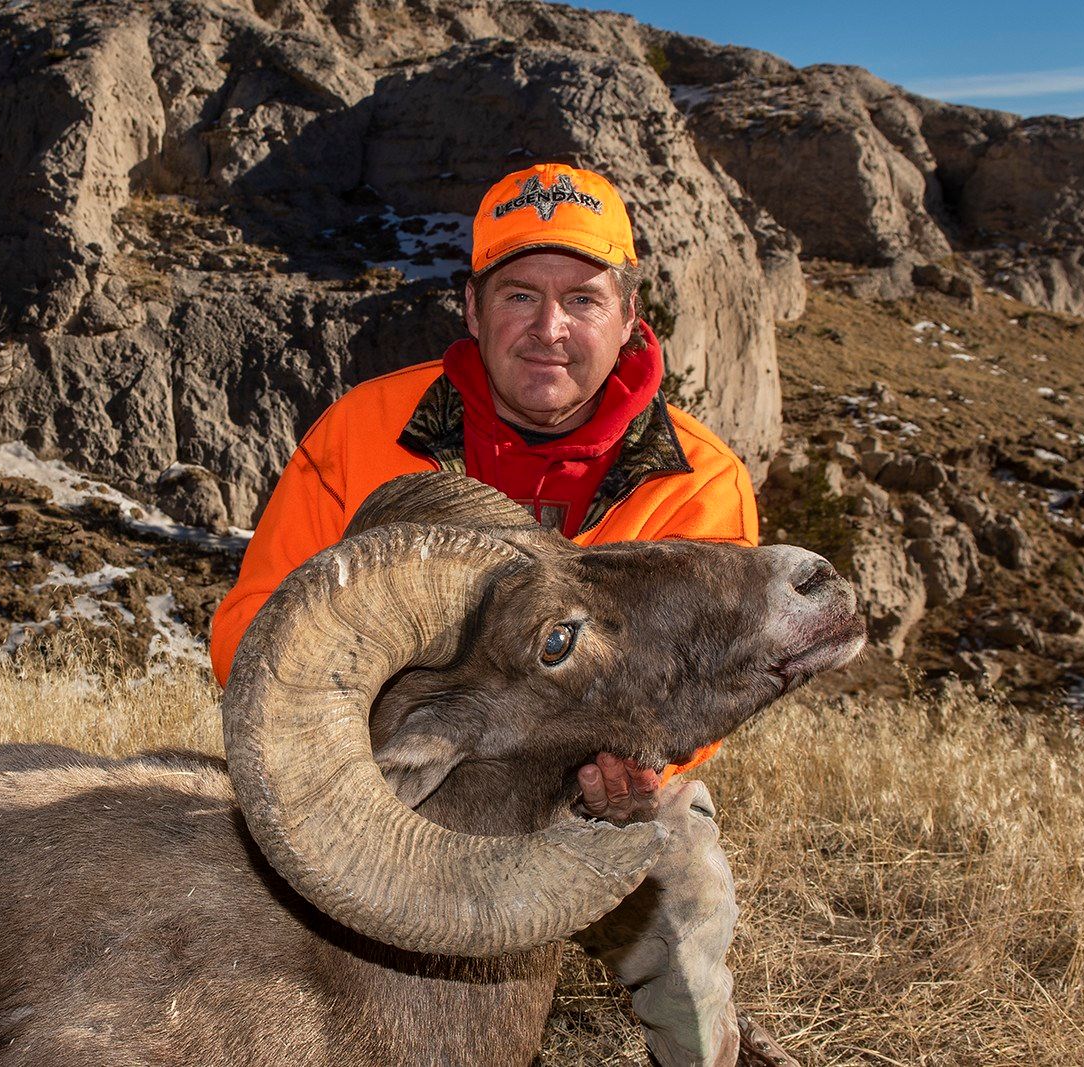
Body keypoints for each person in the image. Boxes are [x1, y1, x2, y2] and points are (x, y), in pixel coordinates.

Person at [211, 162, 776, 1067]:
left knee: (685, 889)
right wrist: (360, 731)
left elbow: (698, 683)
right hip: (390, 772)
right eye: (519, 293)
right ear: (471, 310)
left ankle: (706, 1051)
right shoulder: (364, 432)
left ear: (631, 315)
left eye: (582, 299)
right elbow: (253, 625)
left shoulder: (700, 480)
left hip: (588, 780)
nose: (549, 329)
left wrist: (625, 765)